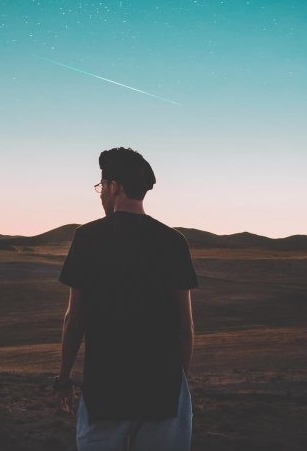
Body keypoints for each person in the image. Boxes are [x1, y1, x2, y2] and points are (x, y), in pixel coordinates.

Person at [53, 146, 199, 451]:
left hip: (105, 390)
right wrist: (178, 383)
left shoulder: (88, 237)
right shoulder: (174, 242)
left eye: (101, 186)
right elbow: (185, 327)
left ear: (114, 187)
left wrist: (64, 379)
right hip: (163, 390)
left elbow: (74, 318)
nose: (101, 195)